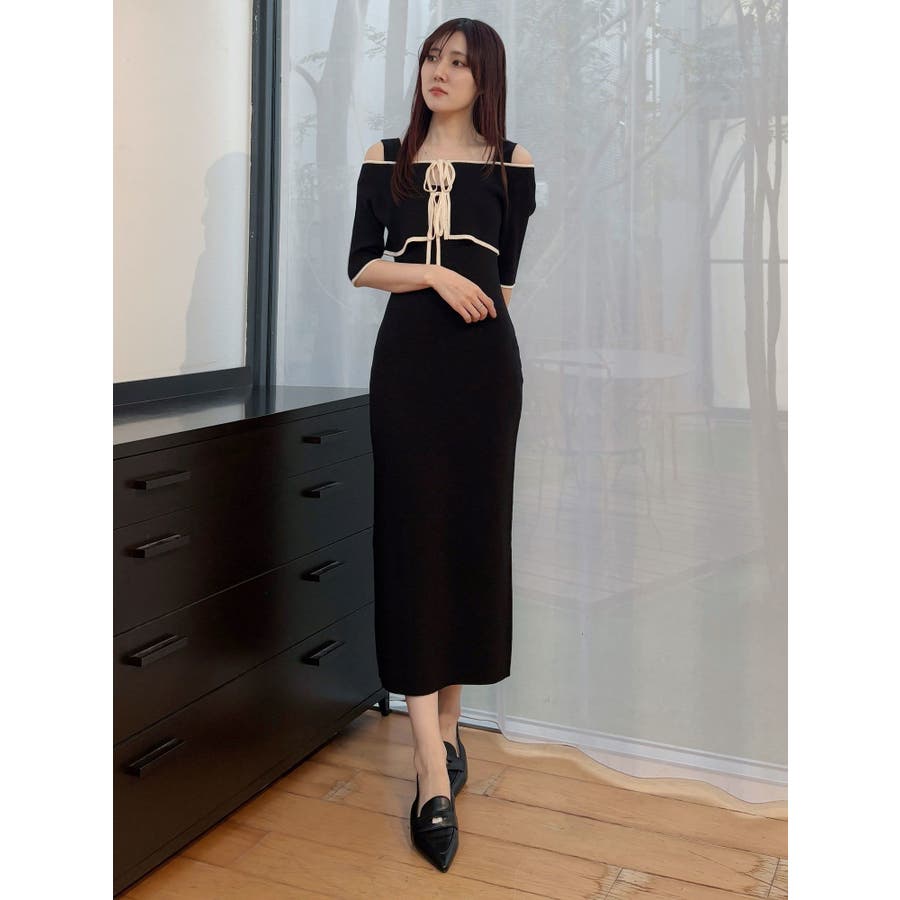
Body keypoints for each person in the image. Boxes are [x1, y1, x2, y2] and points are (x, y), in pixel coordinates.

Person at [347, 16, 536, 873]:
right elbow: (362, 264)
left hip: (484, 376)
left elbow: (505, 279)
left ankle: (449, 729)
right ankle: (429, 766)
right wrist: (430, 271)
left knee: (466, 543)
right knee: (412, 543)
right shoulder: (386, 157)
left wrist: (467, 285)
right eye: (432, 56)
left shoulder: (513, 164)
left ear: (484, 76)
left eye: (459, 61)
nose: (441, 71)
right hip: (409, 371)